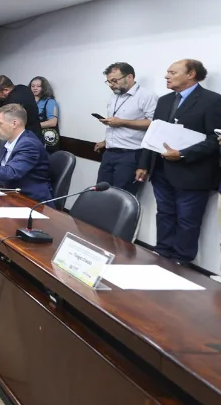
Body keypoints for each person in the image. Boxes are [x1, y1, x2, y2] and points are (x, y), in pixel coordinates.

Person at [136, 59, 221, 263]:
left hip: (193, 173)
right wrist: (144, 164)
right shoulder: (164, 100)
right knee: (164, 214)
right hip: (161, 170)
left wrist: (182, 153)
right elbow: (153, 133)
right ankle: (162, 252)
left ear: (191, 74)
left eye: (173, 72)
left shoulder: (212, 100)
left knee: (187, 219)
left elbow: (215, 139)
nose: (166, 76)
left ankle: (181, 260)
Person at [94, 63, 157, 194]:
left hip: (130, 155)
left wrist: (122, 122)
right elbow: (116, 124)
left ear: (129, 77)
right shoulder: (114, 96)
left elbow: (153, 124)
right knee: (100, 193)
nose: (111, 85)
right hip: (109, 153)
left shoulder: (146, 96)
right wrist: (105, 141)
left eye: (114, 80)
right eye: (108, 82)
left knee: (121, 196)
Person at [0, 75, 42, 140]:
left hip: (25, 138)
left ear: (6, 90)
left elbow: (6, 123)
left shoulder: (12, 102)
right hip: (36, 133)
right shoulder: (23, 88)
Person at [29, 76, 59, 152]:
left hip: (46, 139)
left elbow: (53, 122)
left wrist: (32, 126)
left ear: (44, 88)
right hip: (33, 137)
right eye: (33, 86)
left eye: (38, 86)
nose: (35, 88)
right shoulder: (29, 101)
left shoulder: (50, 102)